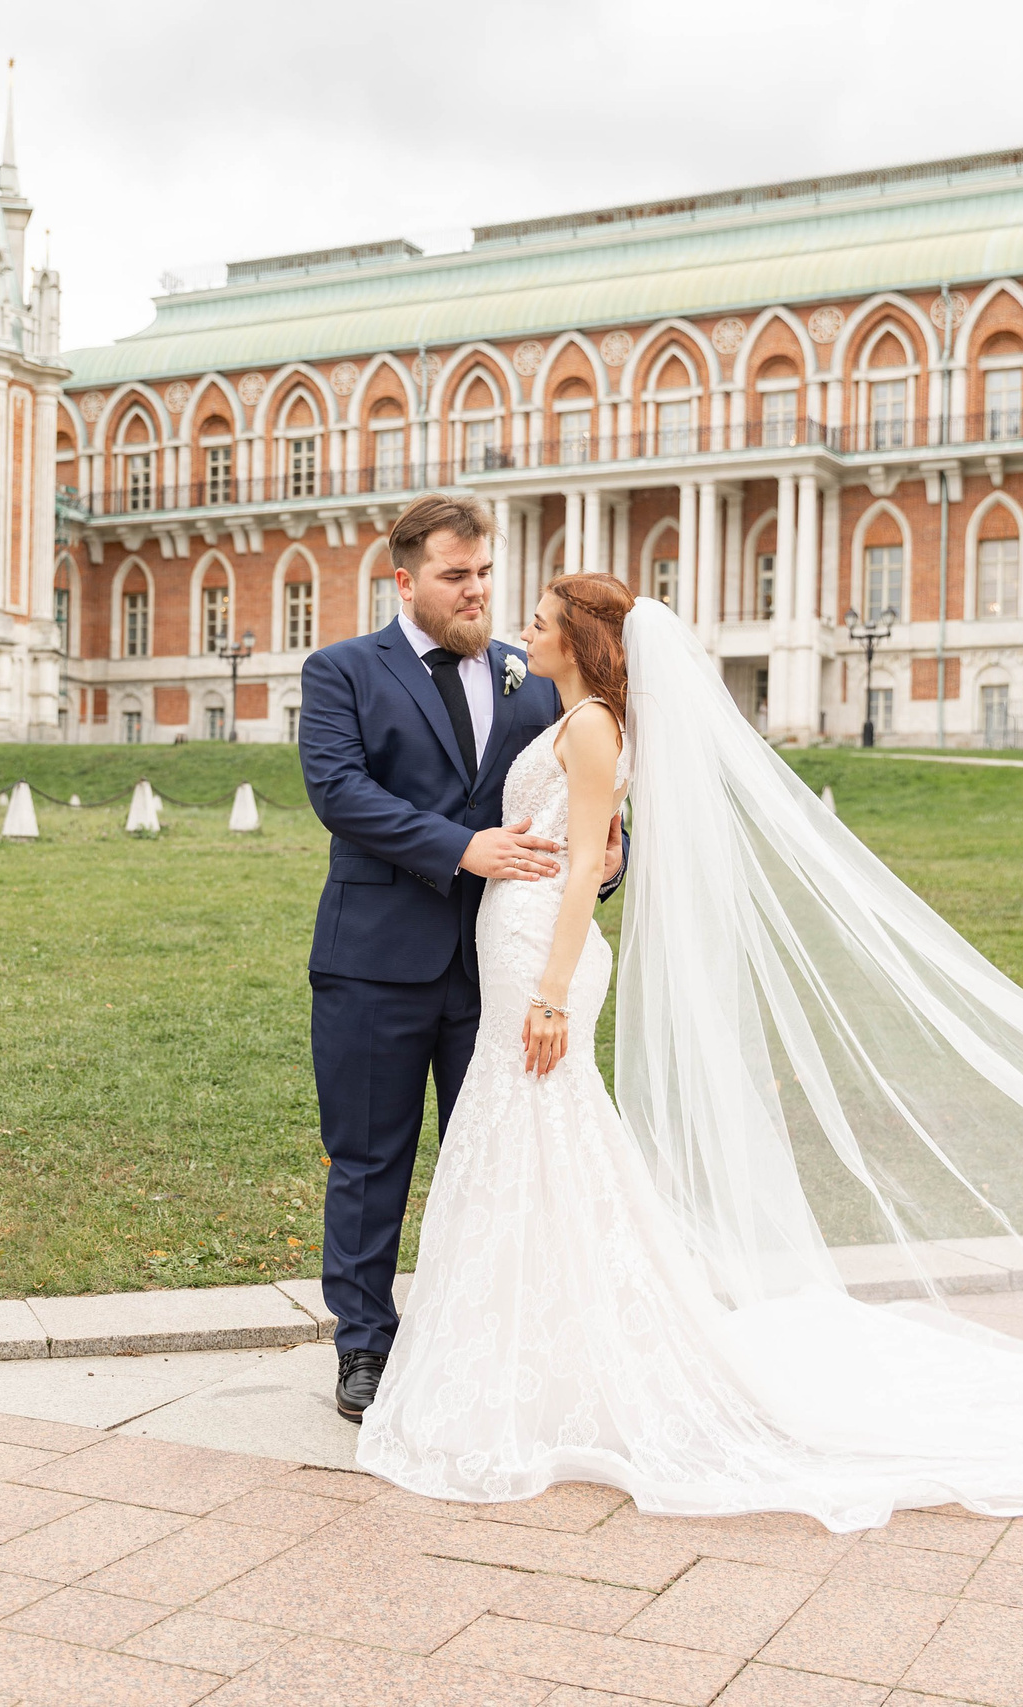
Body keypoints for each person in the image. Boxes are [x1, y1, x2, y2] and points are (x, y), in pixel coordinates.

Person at [352, 577, 1023, 1531]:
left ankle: (562, 1354)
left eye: (540, 618)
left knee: (545, 1132)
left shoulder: (585, 729)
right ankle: (548, 1344)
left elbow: (584, 867)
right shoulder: (580, 720)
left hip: (542, 957)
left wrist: (548, 992)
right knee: (534, 1140)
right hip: (523, 942)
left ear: (578, 640)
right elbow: (588, 847)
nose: (524, 629)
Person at [297, 495, 622, 1422]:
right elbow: (340, 792)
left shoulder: (532, 671)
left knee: (496, 1154)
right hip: (374, 959)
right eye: (455, 576)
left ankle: (493, 1337)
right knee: (369, 1156)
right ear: (405, 581)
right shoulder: (342, 671)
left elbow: (581, 789)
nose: (477, 591)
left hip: (501, 966)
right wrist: (459, 847)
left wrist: (610, 855)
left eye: (484, 573)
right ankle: (364, 1343)